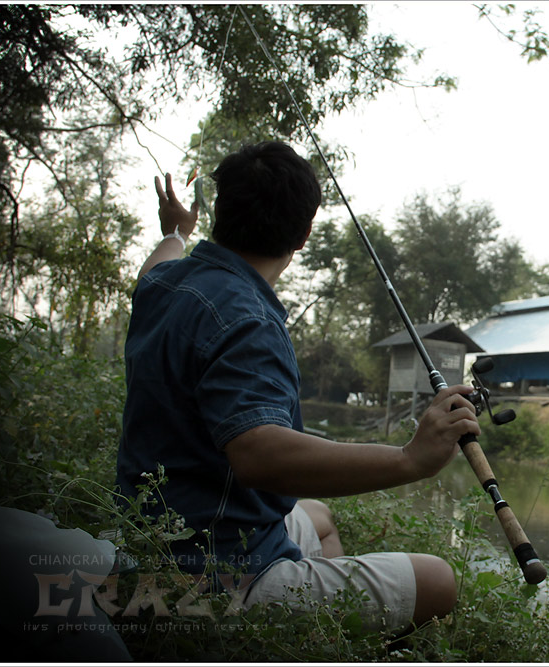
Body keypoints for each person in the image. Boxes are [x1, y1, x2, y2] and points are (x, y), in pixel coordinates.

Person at [116, 140, 479, 633]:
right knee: (439, 580)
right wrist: (409, 460)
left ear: (222, 211)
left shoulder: (160, 287)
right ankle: (282, 622)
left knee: (320, 517)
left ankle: (322, 630)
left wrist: (178, 231)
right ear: (304, 234)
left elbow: (155, 264)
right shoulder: (249, 322)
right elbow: (260, 456)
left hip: (153, 541)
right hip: (213, 575)